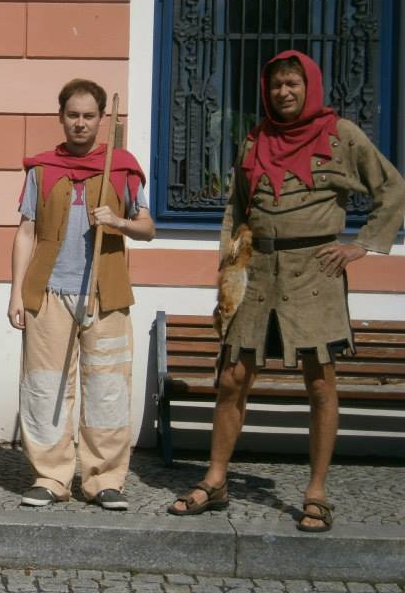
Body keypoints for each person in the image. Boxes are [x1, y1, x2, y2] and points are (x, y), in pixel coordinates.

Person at [167, 50, 405, 532]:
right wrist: (228, 275)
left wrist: (361, 246)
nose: (284, 92)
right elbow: (236, 210)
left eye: (293, 83)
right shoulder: (256, 140)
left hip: (315, 272)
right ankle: (215, 479)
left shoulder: (341, 135)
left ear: (309, 86)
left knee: (319, 383)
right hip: (257, 272)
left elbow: (392, 187)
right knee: (232, 378)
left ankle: (316, 492)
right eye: (276, 85)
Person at [8, 79, 154, 510]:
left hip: (106, 295)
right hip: (48, 293)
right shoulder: (41, 170)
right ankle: (51, 477)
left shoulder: (122, 168)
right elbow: (26, 232)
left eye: (89, 116)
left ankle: (103, 479)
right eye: (72, 114)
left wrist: (120, 222)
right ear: (61, 116)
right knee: (44, 387)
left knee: (108, 389)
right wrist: (16, 294)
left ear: (102, 118)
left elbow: (147, 228)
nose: (80, 123)